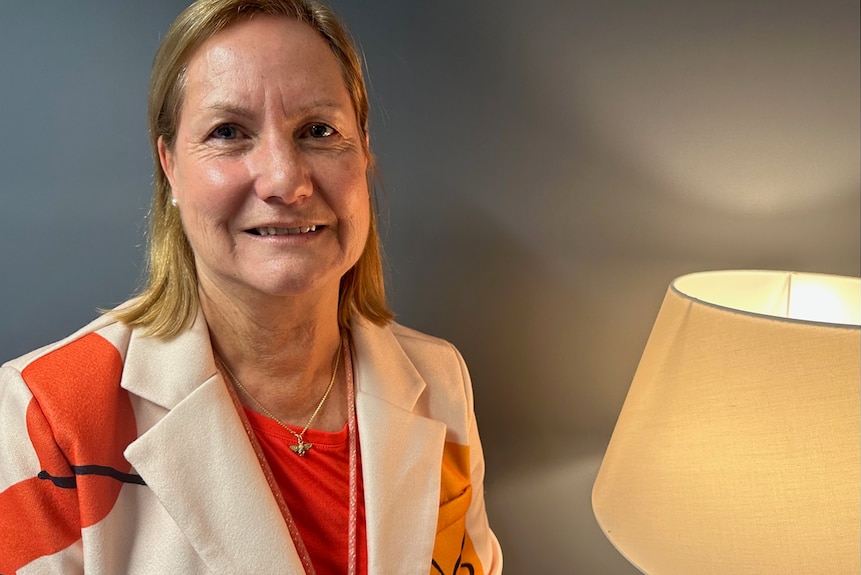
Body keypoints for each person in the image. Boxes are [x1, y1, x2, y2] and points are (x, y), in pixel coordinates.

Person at [0, 0, 503, 573]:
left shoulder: (440, 379)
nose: (285, 180)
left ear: (362, 151)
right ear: (170, 168)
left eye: (318, 130)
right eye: (229, 132)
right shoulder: (45, 414)